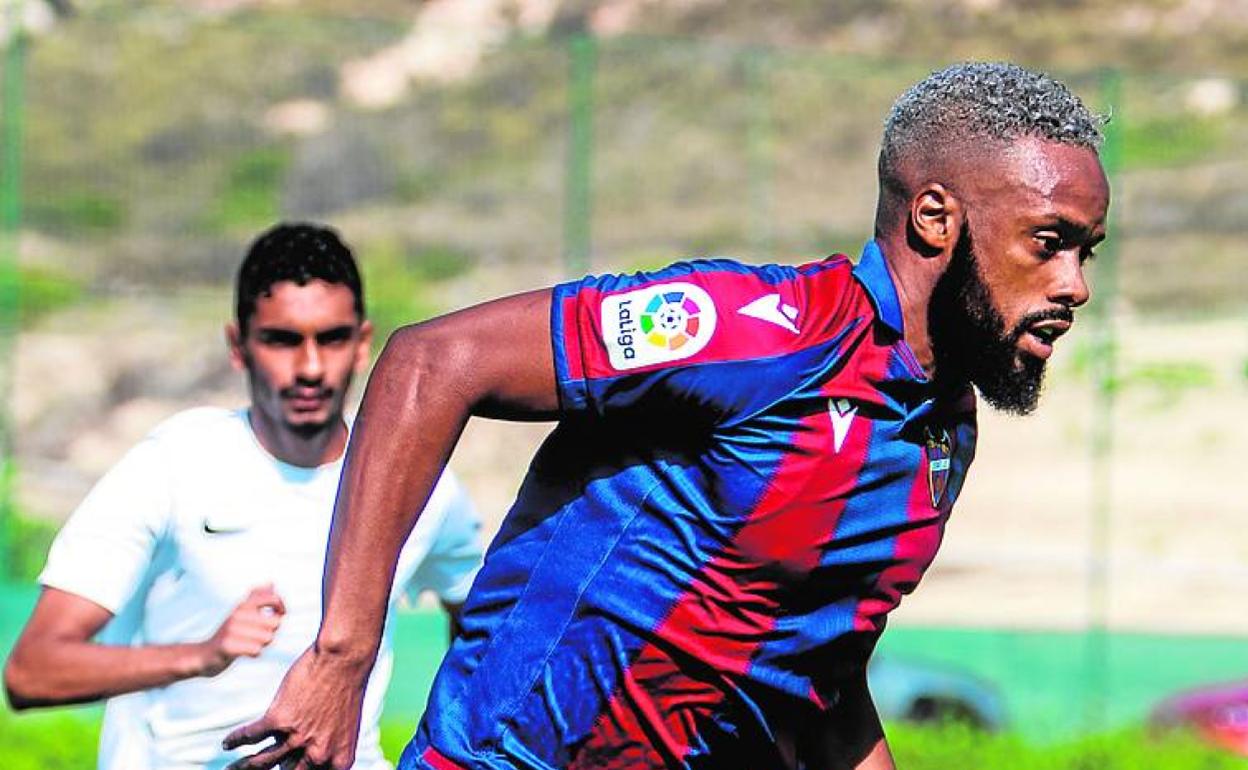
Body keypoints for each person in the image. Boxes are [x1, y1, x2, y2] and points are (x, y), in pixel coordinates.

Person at [225, 61, 1110, 770]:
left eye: (1086, 251)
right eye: (1050, 241)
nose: (1074, 286)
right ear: (932, 217)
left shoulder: (942, 433)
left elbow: (818, 679)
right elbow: (432, 361)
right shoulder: (758, 331)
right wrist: (340, 657)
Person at [2, 223, 485, 770]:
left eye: (331, 338)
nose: (309, 368)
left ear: (362, 343)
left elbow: (480, 625)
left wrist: (453, 749)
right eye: (282, 339)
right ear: (239, 346)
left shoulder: (419, 483)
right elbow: (32, 671)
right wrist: (203, 656)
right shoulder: (175, 462)